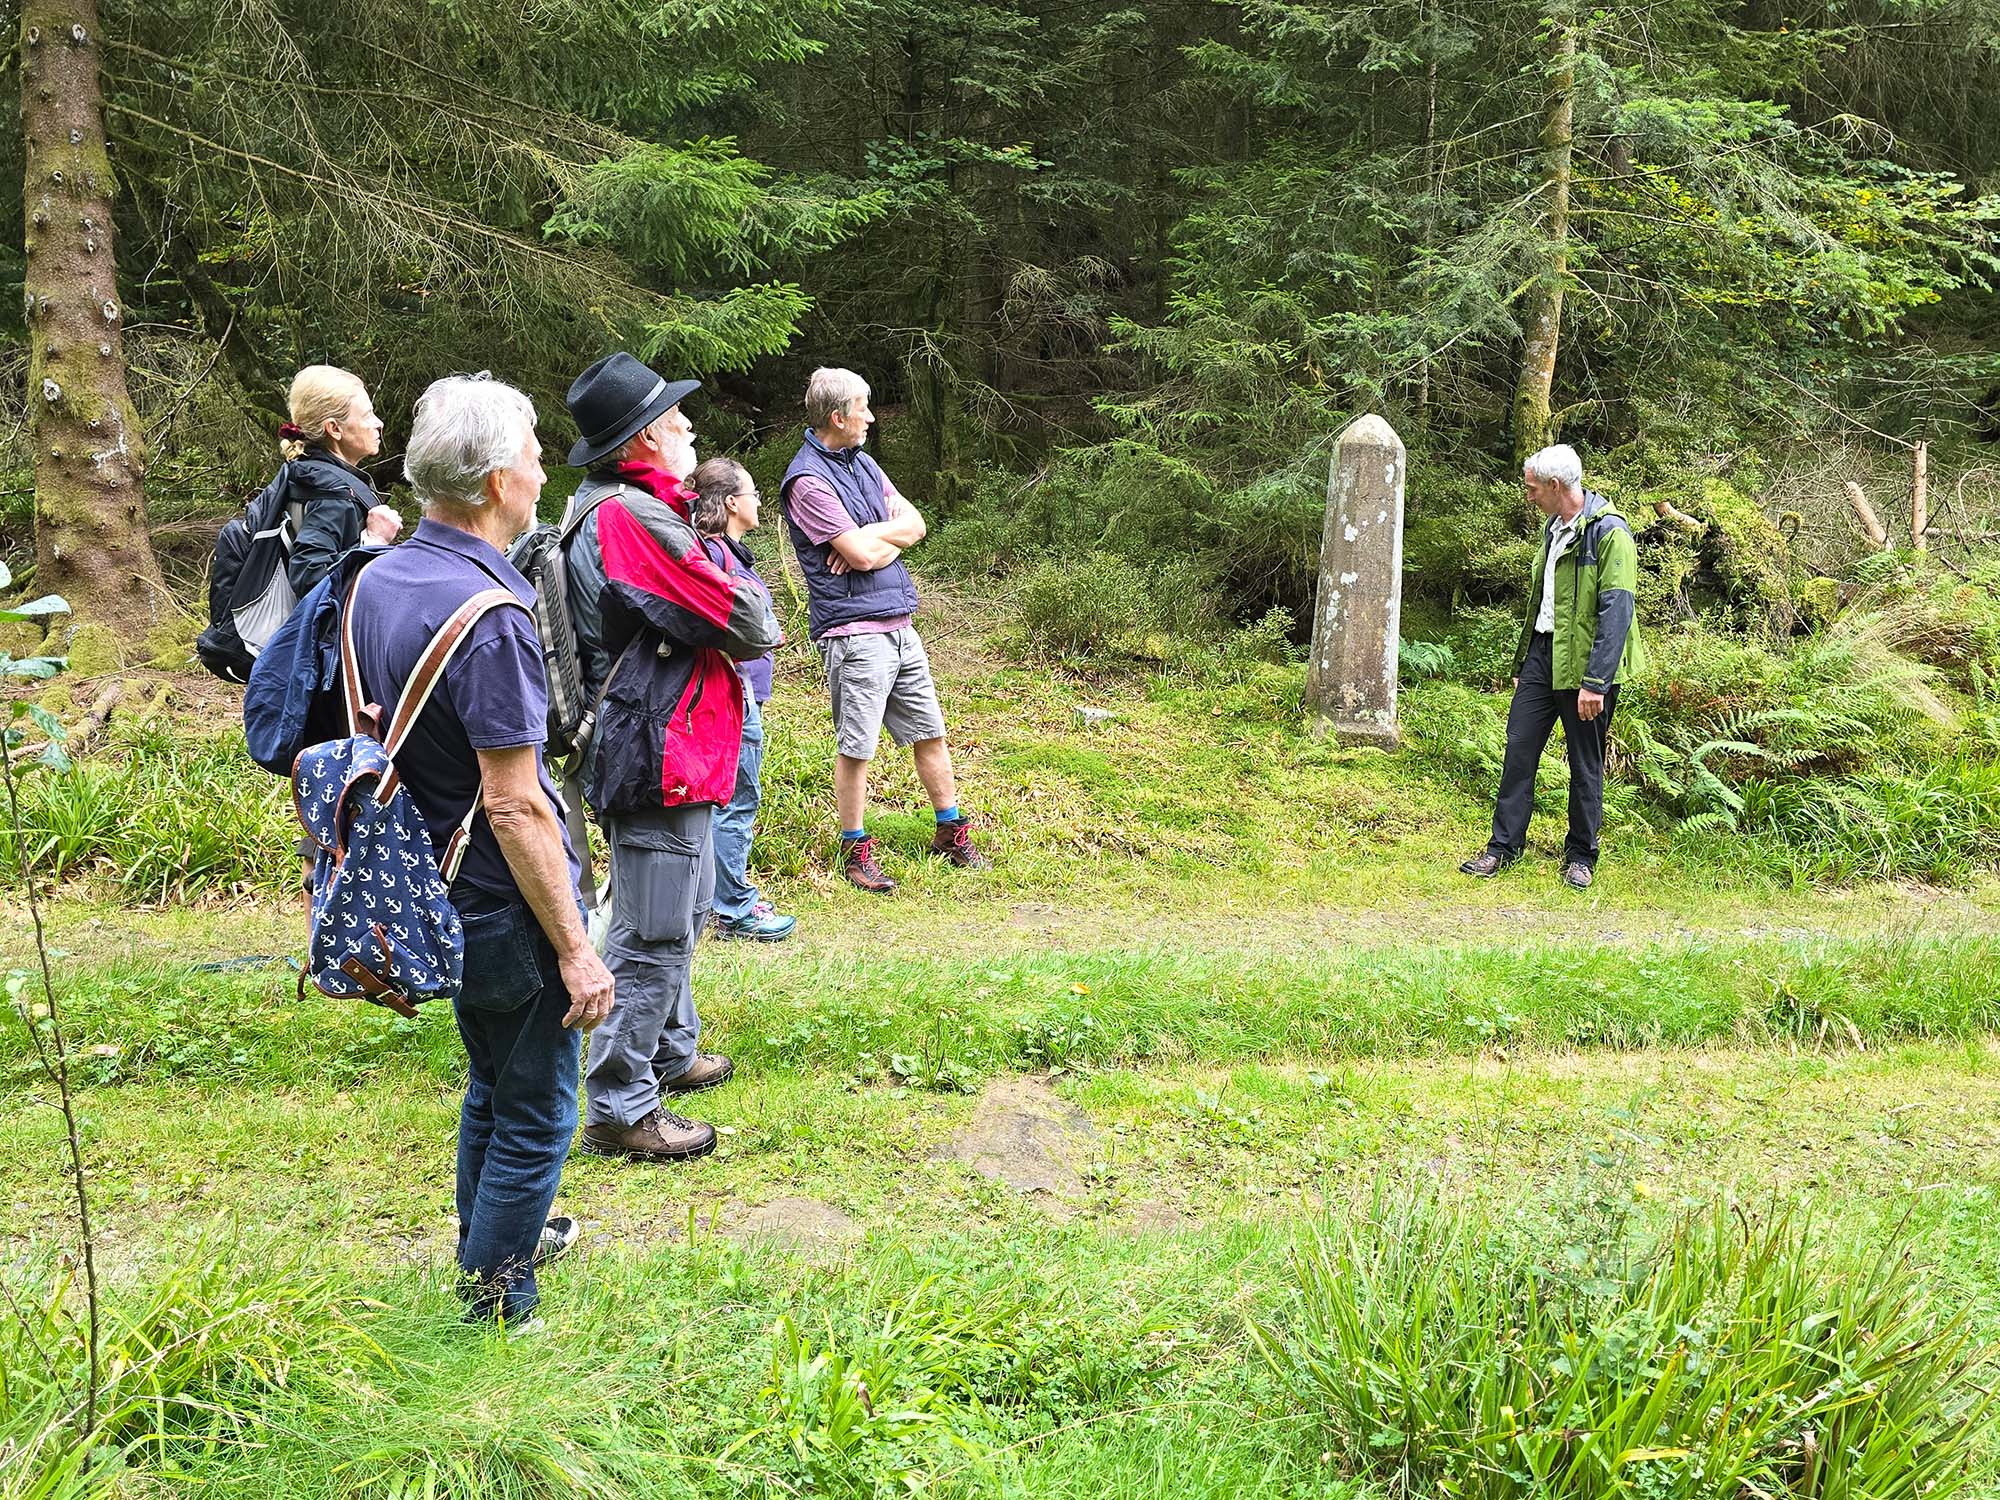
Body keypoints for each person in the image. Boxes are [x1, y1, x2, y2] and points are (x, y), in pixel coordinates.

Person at [344, 372, 615, 1327]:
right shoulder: (492, 619)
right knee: (540, 1110)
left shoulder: (378, 579)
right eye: (537, 455)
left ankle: (486, 1244)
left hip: (430, 889)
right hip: (503, 897)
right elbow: (517, 806)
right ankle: (500, 1301)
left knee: (494, 1084)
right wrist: (577, 945)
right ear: (500, 481)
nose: (546, 470)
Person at [559, 353, 782, 1163]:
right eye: (678, 418)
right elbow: (749, 620)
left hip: (667, 742)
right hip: (653, 748)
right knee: (651, 929)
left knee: (679, 911)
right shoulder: (631, 517)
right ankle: (621, 1105)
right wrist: (740, 596)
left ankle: (669, 1050)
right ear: (649, 435)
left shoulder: (626, 508)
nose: (691, 429)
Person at [778, 367, 987, 893]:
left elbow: (913, 526)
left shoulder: (865, 463)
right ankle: (855, 851)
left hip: (900, 622)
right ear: (837, 416)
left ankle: (950, 832)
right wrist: (872, 544)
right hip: (853, 633)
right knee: (858, 747)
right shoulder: (806, 481)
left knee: (930, 733)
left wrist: (870, 541)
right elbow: (868, 551)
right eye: (864, 407)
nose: (871, 417)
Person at [1460, 443, 1647, 890]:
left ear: (1555, 486)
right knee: (1519, 748)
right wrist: (1526, 661)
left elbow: (1617, 611)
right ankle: (1503, 847)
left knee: (1585, 763)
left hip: (1587, 667)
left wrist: (1596, 682)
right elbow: (1543, 603)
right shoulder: (1553, 529)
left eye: (1533, 489)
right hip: (1543, 657)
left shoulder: (1609, 534)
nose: (1529, 496)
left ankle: (1581, 855)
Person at [690, 457, 797, 941]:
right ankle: (732, 909)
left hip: (737, 692)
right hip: (733, 693)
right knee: (735, 802)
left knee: (729, 801)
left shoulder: (727, 553)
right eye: (752, 494)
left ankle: (723, 898)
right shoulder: (717, 556)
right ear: (732, 502)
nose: (758, 502)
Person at [279, 365, 404, 596]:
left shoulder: (305, 472)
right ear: (334, 429)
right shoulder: (332, 496)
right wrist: (373, 541)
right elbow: (309, 576)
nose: (379, 423)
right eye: (367, 415)